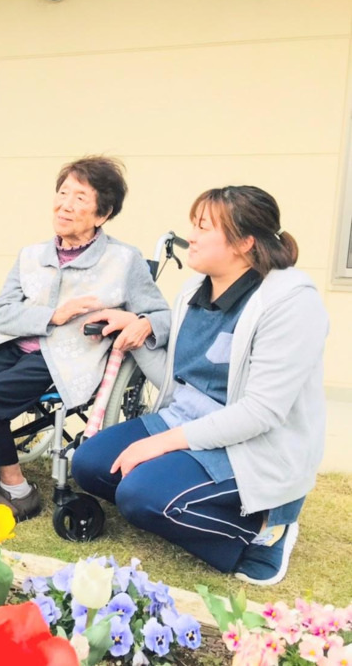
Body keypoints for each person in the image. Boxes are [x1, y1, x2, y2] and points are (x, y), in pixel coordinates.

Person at [71, 185, 328, 586]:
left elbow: (261, 413)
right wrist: (136, 331)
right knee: (89, 466)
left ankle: (266, 526)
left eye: (203, 227)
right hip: (185, 419)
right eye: (193, 224)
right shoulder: (195, 290)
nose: (190, 236)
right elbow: (178, 380)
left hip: (252, 442)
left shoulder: (290, 303)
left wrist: (160, 444)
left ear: (244, 243)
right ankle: (185, 495)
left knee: (140, 496)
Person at [0, 156, 170, 524]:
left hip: (66, 357)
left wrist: (138, 321)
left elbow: (161, 315)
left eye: (80, 197)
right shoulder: (31, 255)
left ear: (102, 214)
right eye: (62, 193)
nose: (65, 204)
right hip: (11, 344)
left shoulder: (124, 261)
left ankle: (18, 491)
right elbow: (1, 313)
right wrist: (53, 315)